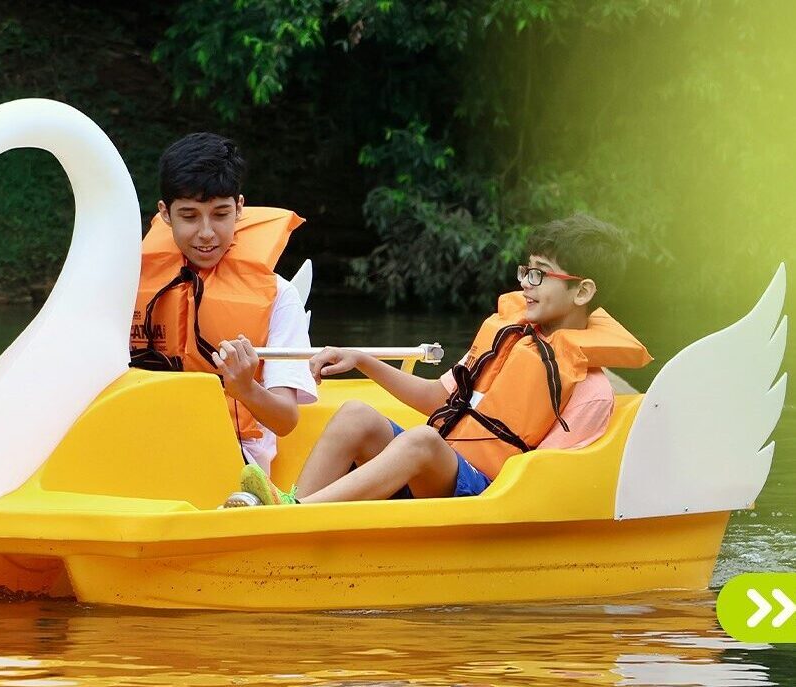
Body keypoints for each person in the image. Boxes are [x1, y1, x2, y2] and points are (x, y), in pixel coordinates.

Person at [226, 213, 651, 505]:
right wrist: (365, 360)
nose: (526, 284)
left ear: (582, 291)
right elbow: (438, 398)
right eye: (526, 271)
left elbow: (546, 481)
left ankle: (296, 515)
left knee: (423, 440)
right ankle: (292, 504)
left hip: (486, 495)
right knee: (357, 413)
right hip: (440, 470)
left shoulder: (590, 391)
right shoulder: (506, 337)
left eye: (540, 274)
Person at [130, 132, 317, 474]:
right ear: (165, 213)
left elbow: (286, 419)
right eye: (189, 216)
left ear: (240, 208)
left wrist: (245, 388)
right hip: (143, 440)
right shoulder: (127, 284)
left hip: (230, 457)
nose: (206, 233)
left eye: (220, 214)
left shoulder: (279, 296)